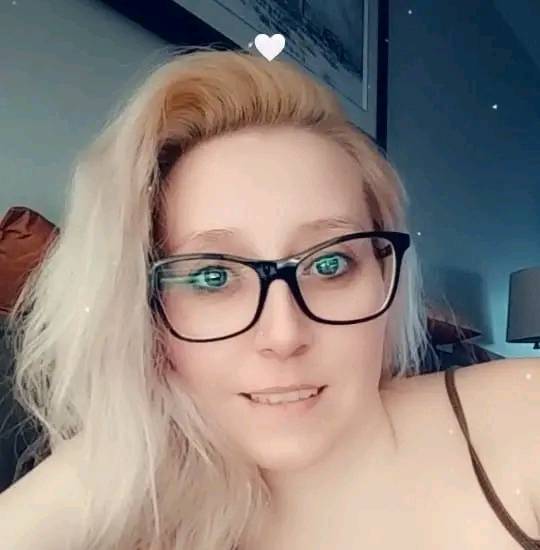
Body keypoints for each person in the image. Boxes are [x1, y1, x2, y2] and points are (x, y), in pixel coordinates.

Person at [3, 46, 539, 550]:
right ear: (143, 312)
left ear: (383, 274)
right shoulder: (123, 510)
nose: (284, 336)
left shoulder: (523, 418)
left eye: (329, 264)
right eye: (213, 276)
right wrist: (92, 471)